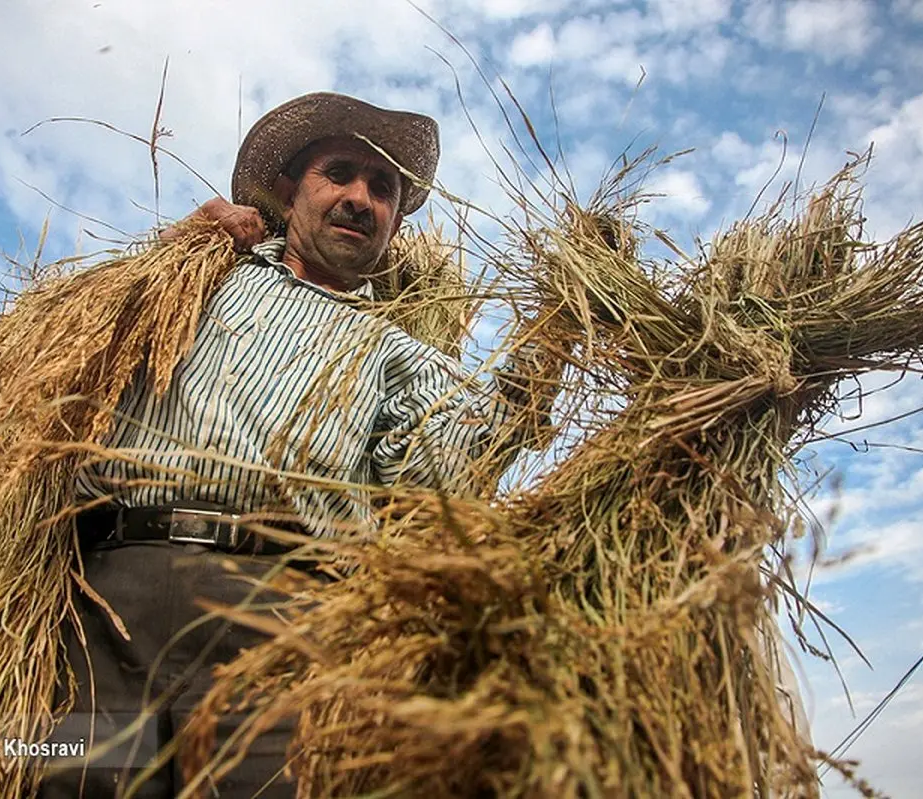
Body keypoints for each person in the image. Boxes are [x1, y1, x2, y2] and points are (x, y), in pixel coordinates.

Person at [39, 92, 553, 798]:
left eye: (382, 190)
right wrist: (181, 243)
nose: (359, 198)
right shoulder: (205, 274)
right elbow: (66, 343)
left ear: (395, 224)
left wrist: (538, 367)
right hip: (118, 596)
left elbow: (440, 480)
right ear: (287, 191)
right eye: (338, 173)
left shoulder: (396, 351)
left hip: (287, 620)